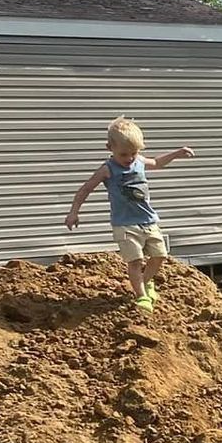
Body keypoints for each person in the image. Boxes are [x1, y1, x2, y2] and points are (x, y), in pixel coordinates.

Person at [65, 117, 195, 308]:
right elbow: (85, 189)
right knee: (135, 260)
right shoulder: (107, 170)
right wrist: (73, 212)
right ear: (110, 148)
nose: (129, 159)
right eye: (124, 154)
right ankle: (142, 296)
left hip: (148, 220)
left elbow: (157, 163)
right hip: (125, 224)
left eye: (134, 153)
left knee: (159, 256)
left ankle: (146, 281)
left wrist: (177, 153)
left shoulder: (139, 161)